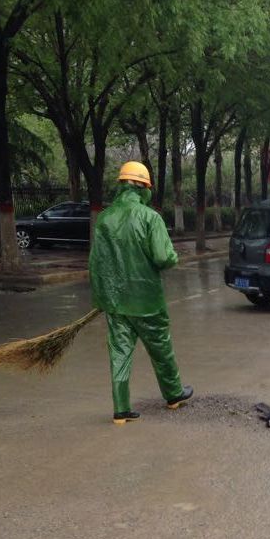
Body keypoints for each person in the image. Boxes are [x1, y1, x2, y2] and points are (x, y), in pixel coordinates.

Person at [89, 161, 192, 424]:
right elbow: (163, 257)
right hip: (146, 300)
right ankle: (174, 394)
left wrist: (102, 298)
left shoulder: (104, 218)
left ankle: (121, 409)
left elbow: (96, 262)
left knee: (119, 353)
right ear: (143, 188)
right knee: (161, 348)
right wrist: (173, 256)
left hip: (116, 301)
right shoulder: (150, 217)